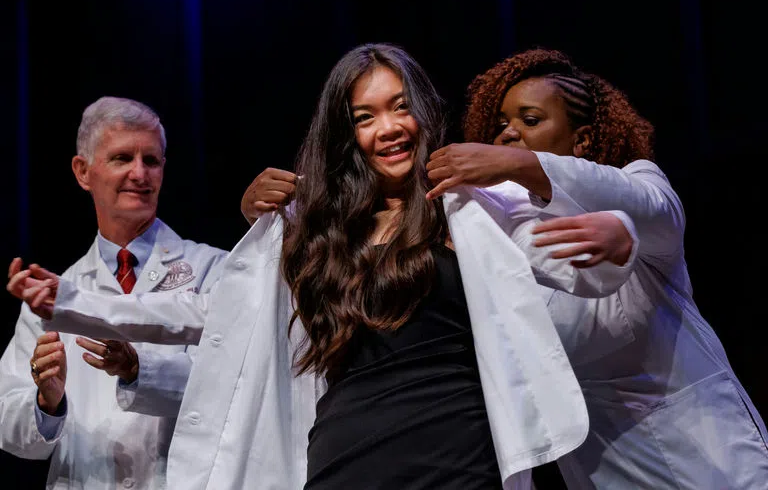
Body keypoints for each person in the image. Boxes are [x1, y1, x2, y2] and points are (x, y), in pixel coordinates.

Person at [9, 44, 639, 489]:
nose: (387, 128)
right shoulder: (313, 232)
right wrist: (68, 300)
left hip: (459, 451)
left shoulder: (471, 209)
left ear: (422, 109)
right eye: (364, 117)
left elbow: (578, 259)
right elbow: (195, 312)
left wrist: (620, 233)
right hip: (345, 457)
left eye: (399, 106)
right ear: (345, 133)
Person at [424, 47, 768, 488]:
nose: (508, 135)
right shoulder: (500, 233)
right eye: (500, 126)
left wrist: (522, 164)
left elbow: (651, 210)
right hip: (605, 472)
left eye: (529, 121)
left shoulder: (638, 184)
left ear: (581, 140)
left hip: (706, 461)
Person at [0, 96, 227, 489]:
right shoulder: (55, 294)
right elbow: (10, 426)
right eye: (123, 158)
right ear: (83, 171)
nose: (140, 173)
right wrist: (47, 401)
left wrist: (138, 368)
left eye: (151, 160)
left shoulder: (214, 270)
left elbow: (226, 386)